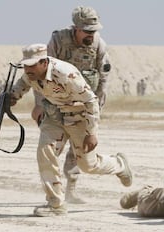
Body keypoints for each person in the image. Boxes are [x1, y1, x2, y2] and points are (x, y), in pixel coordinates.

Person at [11, 44, 132, 216]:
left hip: (79, 118)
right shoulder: (31, 73)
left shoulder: (66, 73)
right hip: (54, 117)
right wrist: (13, 96)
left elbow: (91, 101)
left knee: (88, 165)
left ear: (44, 62)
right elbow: (22, 83)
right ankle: (56, 204)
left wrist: (91, 133)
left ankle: (119, 165)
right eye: (26, 65)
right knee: (45, 152)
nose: (28, 69)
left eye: (32, 65)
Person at [31, 6, 112, 204]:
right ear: (76, 28)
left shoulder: (99, 46)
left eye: (94, 31)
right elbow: (40, 72)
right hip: (56, 104)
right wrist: (39, 103)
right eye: (87, 31)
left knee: (80, 152)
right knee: (51, 147)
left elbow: (103, 80)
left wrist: (95, 113)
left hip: (84, 105)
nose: (91, 35)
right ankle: (54, 196)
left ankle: (71, 189)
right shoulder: (59, 41)